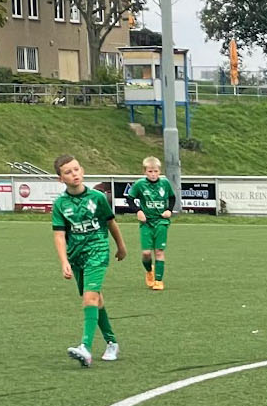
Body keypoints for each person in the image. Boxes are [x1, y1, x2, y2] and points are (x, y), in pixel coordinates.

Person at [51, 154, 126, 368]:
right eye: (68, 172)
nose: (74, 174)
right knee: (96, 299)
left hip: (98, 251)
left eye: (76, 169)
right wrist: (64, 261)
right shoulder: (60, 204)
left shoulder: (98, 198)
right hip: (77, 256)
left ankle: (85, 347)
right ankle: (111, 342)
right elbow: (59, 235)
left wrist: (121, 246)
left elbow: (111, 223)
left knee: (89, 298)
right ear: (61, 179)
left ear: (82, 171)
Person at [126, 156, 176, 290]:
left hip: (161, 221)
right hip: (146, 223)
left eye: (155, 171)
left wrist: (169, 210)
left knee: (159, 251)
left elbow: (172, 197)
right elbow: (130, 199)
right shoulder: (140, 184)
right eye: (150, 171)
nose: (153, 174)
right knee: (146, 253)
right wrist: (138, 211)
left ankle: (159, 281)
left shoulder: (165, 183)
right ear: (144, 172)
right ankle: (149, 271)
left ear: (159, 171)